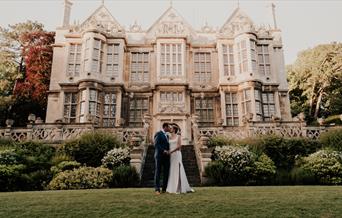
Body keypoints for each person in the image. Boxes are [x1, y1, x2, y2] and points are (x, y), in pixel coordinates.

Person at [166, 123, 194, 194]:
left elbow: (179, 147)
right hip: (171, 156)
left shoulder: (178, 136)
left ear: (174, 130)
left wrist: (171, 152)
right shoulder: (169, 137)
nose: (170, 129)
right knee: (172, 170)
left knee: (178, 170)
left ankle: (178, 188)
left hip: (177, 154)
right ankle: (172, 187)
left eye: (171, 128)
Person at [153, 122, 170, 195]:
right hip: (159, 156)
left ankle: (164, 189)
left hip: (166, 157)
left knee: (166, 173)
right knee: (158, 172)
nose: (169, 128)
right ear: (165, 127)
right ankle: (157, 189)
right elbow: (156, 145)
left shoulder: (167, 136)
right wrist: (164, 150)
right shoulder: (158, 134)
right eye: (168, 127)